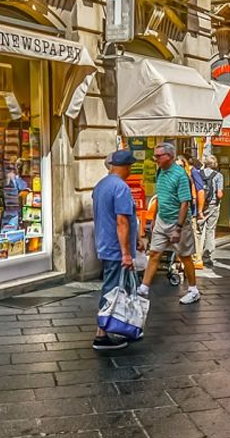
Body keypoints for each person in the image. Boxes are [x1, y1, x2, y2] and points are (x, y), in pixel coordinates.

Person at [138, 143, 199, 305]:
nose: (155, 159)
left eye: (158, 156)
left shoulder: (180, 175)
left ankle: (193, 289)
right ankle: (144, 287)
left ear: (169, 157)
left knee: (185, 256)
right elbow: (160, 197)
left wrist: (178, 228)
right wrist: (155, 218)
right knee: (154, 253)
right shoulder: (161, 172)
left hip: (178, 222)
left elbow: (185, 202)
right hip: (162, 220)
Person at [92, 149, 138, 351]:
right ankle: (101, 335)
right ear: (126, 167)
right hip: (115, 247)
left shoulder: (101, 185)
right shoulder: (121, 187)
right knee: (111, 289)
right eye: (130, 167)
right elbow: (121, 221)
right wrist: (126, 253)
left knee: (118, 287)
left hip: (104, 243)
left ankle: (122, 325)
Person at [197, 156, 224, 268]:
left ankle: (196, 256)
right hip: (213, 205)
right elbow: (219, 194)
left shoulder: (198, 173)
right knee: (210, 230)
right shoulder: (218, 175)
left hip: (200, 205)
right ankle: (206, 256)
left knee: (198, 231)